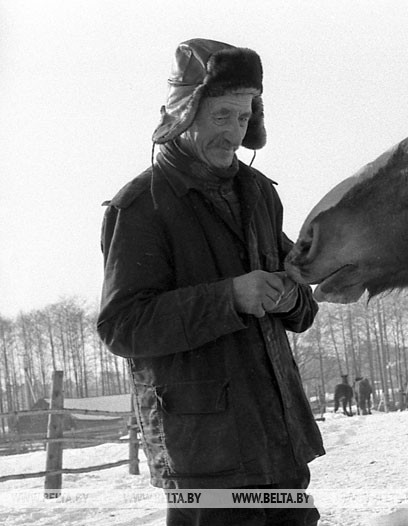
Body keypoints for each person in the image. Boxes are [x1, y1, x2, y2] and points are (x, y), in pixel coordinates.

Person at [97, 38, 324, 526]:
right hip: (208, 462)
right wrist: (230, 297)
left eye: (243, 118)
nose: (234, 134)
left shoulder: (259, 193)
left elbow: (303, 310)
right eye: (221, 116)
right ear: (184, 115)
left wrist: (288, 296)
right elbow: (122, 327)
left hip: (280, 447)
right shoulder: (141, 206)